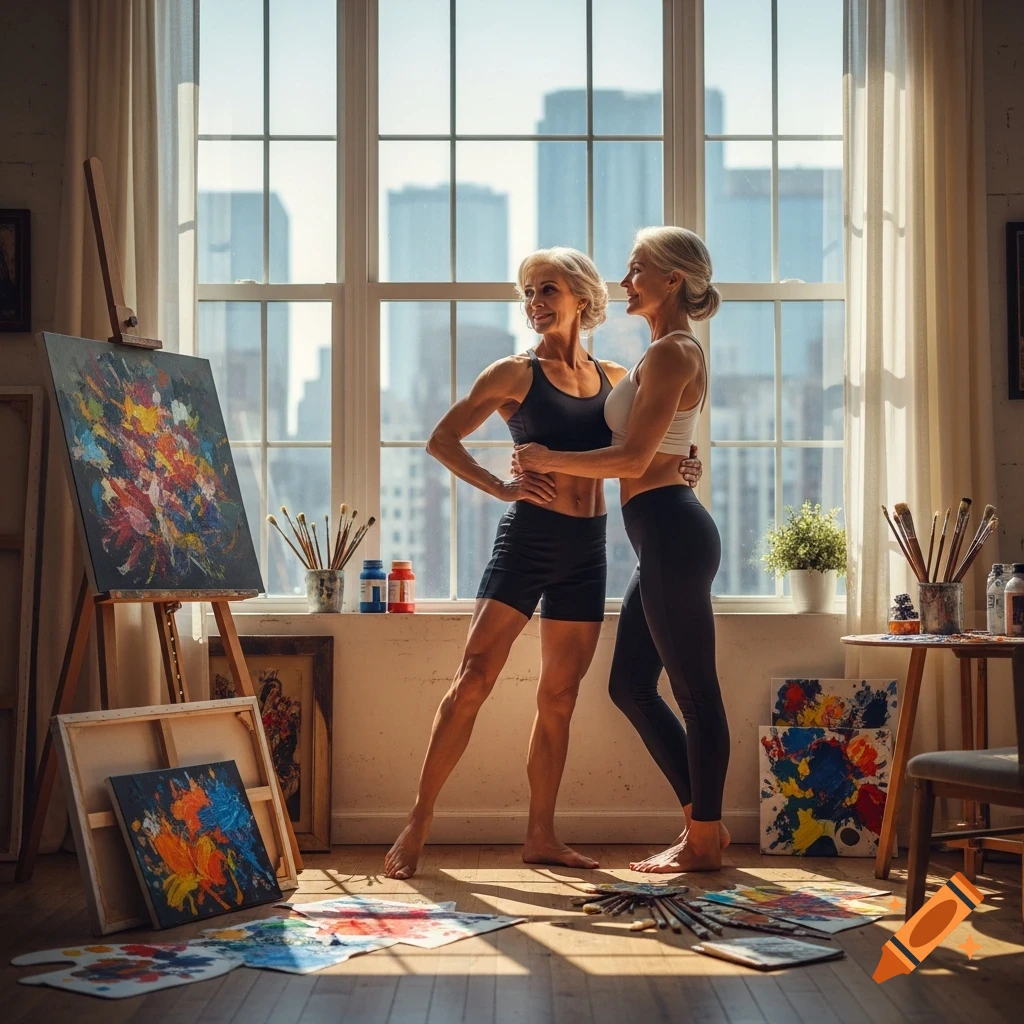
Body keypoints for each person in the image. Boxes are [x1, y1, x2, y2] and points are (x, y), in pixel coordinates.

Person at [383, 247, 703, 879]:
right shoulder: (514, 373)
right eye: (527, 293)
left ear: (581, 297)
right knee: (474, 676)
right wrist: (502, 489)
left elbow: (651, 447)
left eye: (546, 290)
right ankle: (417, 823)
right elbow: (441, 439)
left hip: (589, 550)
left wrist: (684, 467)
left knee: (559, 697)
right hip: (528, 541)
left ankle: (541, 836)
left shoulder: (617, 377)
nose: (534, 304)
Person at [514, 227, 729, 873]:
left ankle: (702, 839)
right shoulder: (659, 353)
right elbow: (661, 447)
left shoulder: (672, 353)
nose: (624, 281)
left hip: (670, 531)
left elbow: (635, 456)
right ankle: (704, 829)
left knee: (695, 693)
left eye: (637, 270)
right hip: (659, 531)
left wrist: (551, 456)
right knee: (630, 685)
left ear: (672, 280)